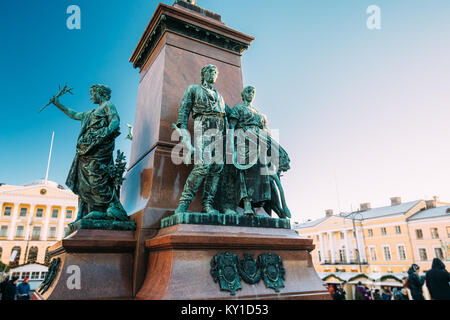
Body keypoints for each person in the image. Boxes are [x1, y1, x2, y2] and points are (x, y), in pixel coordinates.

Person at [51, 84, 127, 223]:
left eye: (92, 93)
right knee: (82, 182)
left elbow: (115, 122)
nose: (91, 96)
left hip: (99, 149)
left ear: (100, 93)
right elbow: (73, 114)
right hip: (86, 150)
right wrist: (58, 104)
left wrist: (102, 136)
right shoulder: (90, 113)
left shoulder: (108, 105)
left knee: (96, 178)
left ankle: (102, 209)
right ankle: (81, 213)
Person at [228, 86, 291, 218]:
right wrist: (231, 145)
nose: (251, 94)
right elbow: (232, 127)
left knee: (265, 173)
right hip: (243, 141)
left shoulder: (260, 114)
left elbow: (266, 131)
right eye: (248, 92)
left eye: (253, 93)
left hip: (260, 142)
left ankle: (262, 205)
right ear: (243, 95)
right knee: (247, 170)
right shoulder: (238, 109)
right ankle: (247, 203)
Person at [174, 64, 228, 215]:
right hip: (202, 124)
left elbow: (229, 114)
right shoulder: (193, 89)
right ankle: (183, 204)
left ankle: (207, 205)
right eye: (209, 71)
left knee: (217, 167)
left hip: (219, 128)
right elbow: (184, 110)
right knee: (203, 165)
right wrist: (183, 133)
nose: (213, 74)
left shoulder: (220, 96)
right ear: (203, 74)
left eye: (215, 72)